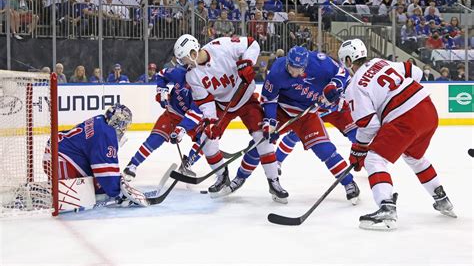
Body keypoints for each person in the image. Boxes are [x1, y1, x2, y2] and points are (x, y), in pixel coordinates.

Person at [339, 39, 456, 231]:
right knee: (414, 157)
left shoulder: (354, 87)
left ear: (349, 60)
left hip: (404, 119)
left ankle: (386, 207)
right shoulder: (381, 62)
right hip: (427, 109)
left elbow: (369, 125)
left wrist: (358, 150)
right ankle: (441, 198)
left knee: (374, 160)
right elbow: (414, 72)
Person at [173, 34, 287, 203]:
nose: (184, 64)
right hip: (222, 105)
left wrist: (248, 62)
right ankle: (222, 175)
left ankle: (274, 182)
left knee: (263, 138)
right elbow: (205, 101)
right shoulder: (192, 76)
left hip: (247, 99)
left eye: (184, 59)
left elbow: (252, 43)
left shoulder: (221, 45)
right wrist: (211, 121)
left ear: (193, 52)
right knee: (207, 139)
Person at [252, 46, 360, 204]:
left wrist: (334, 89)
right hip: (305, 108)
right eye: (292, 68)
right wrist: (270, 121)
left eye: (299, 69)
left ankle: (353, 179)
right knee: (278, 139)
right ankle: (265, 167)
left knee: (338, 143)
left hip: (333, 107)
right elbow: (270, 99)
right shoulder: (280, 71)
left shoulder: (321, 63)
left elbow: (342, 76)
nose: (294, 73)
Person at [42, 104, 147, 207]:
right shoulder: (105, 134)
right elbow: (105, 172)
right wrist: (118, 194)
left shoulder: (100, 120)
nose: (124, 129)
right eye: (124, 125)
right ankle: (45, 194)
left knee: (98, 187)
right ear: (117, 122)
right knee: (67, 198)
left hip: (61, 150)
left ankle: (53, 191)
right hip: (59, 157)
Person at [123, 66, 204, 180]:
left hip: (191, 120)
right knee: (155, 138)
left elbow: (195, 113)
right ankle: (133, 164)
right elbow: (161, 74)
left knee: (206, 139)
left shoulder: (203, 88)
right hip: (172, 114)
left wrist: (181, 129)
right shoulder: (179, 72)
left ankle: (188, 163)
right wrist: (162, 90)